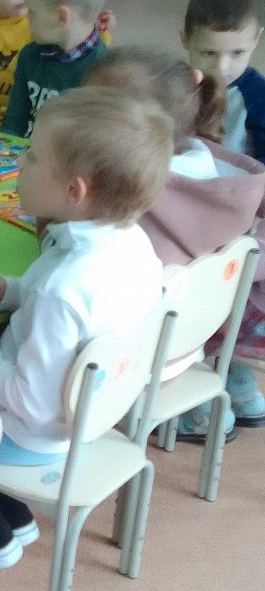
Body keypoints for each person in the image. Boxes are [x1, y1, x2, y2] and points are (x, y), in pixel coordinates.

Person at [0, 89, 171, 562]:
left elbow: (31, 403)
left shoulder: (61, 289)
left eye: (33, 156)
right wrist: (6, 292)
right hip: (91, 415)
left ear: (74, 191)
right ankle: (11, 509)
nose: (20, 162)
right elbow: (75, 306)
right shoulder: (132, 242)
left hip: (28, 436)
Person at [83, 46, 265, 432]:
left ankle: (173, 413)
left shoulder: (130, 187)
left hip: (138, 361)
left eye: (94, 112)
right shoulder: (214, 168)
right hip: (197, 341)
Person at [0, 0, 106, 136]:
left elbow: (96, 143)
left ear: (61, 17)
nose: (26, 18)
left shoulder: (103, 71)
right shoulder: (30, 56)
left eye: (32, 12)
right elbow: (13, 123)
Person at [181, 0, 265, 163]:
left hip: (236, 178)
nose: (221, 67)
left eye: (237, 53)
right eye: (208, 53)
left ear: (256, 40)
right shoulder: (174, 82)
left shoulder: (258, 96)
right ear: (185, 39)